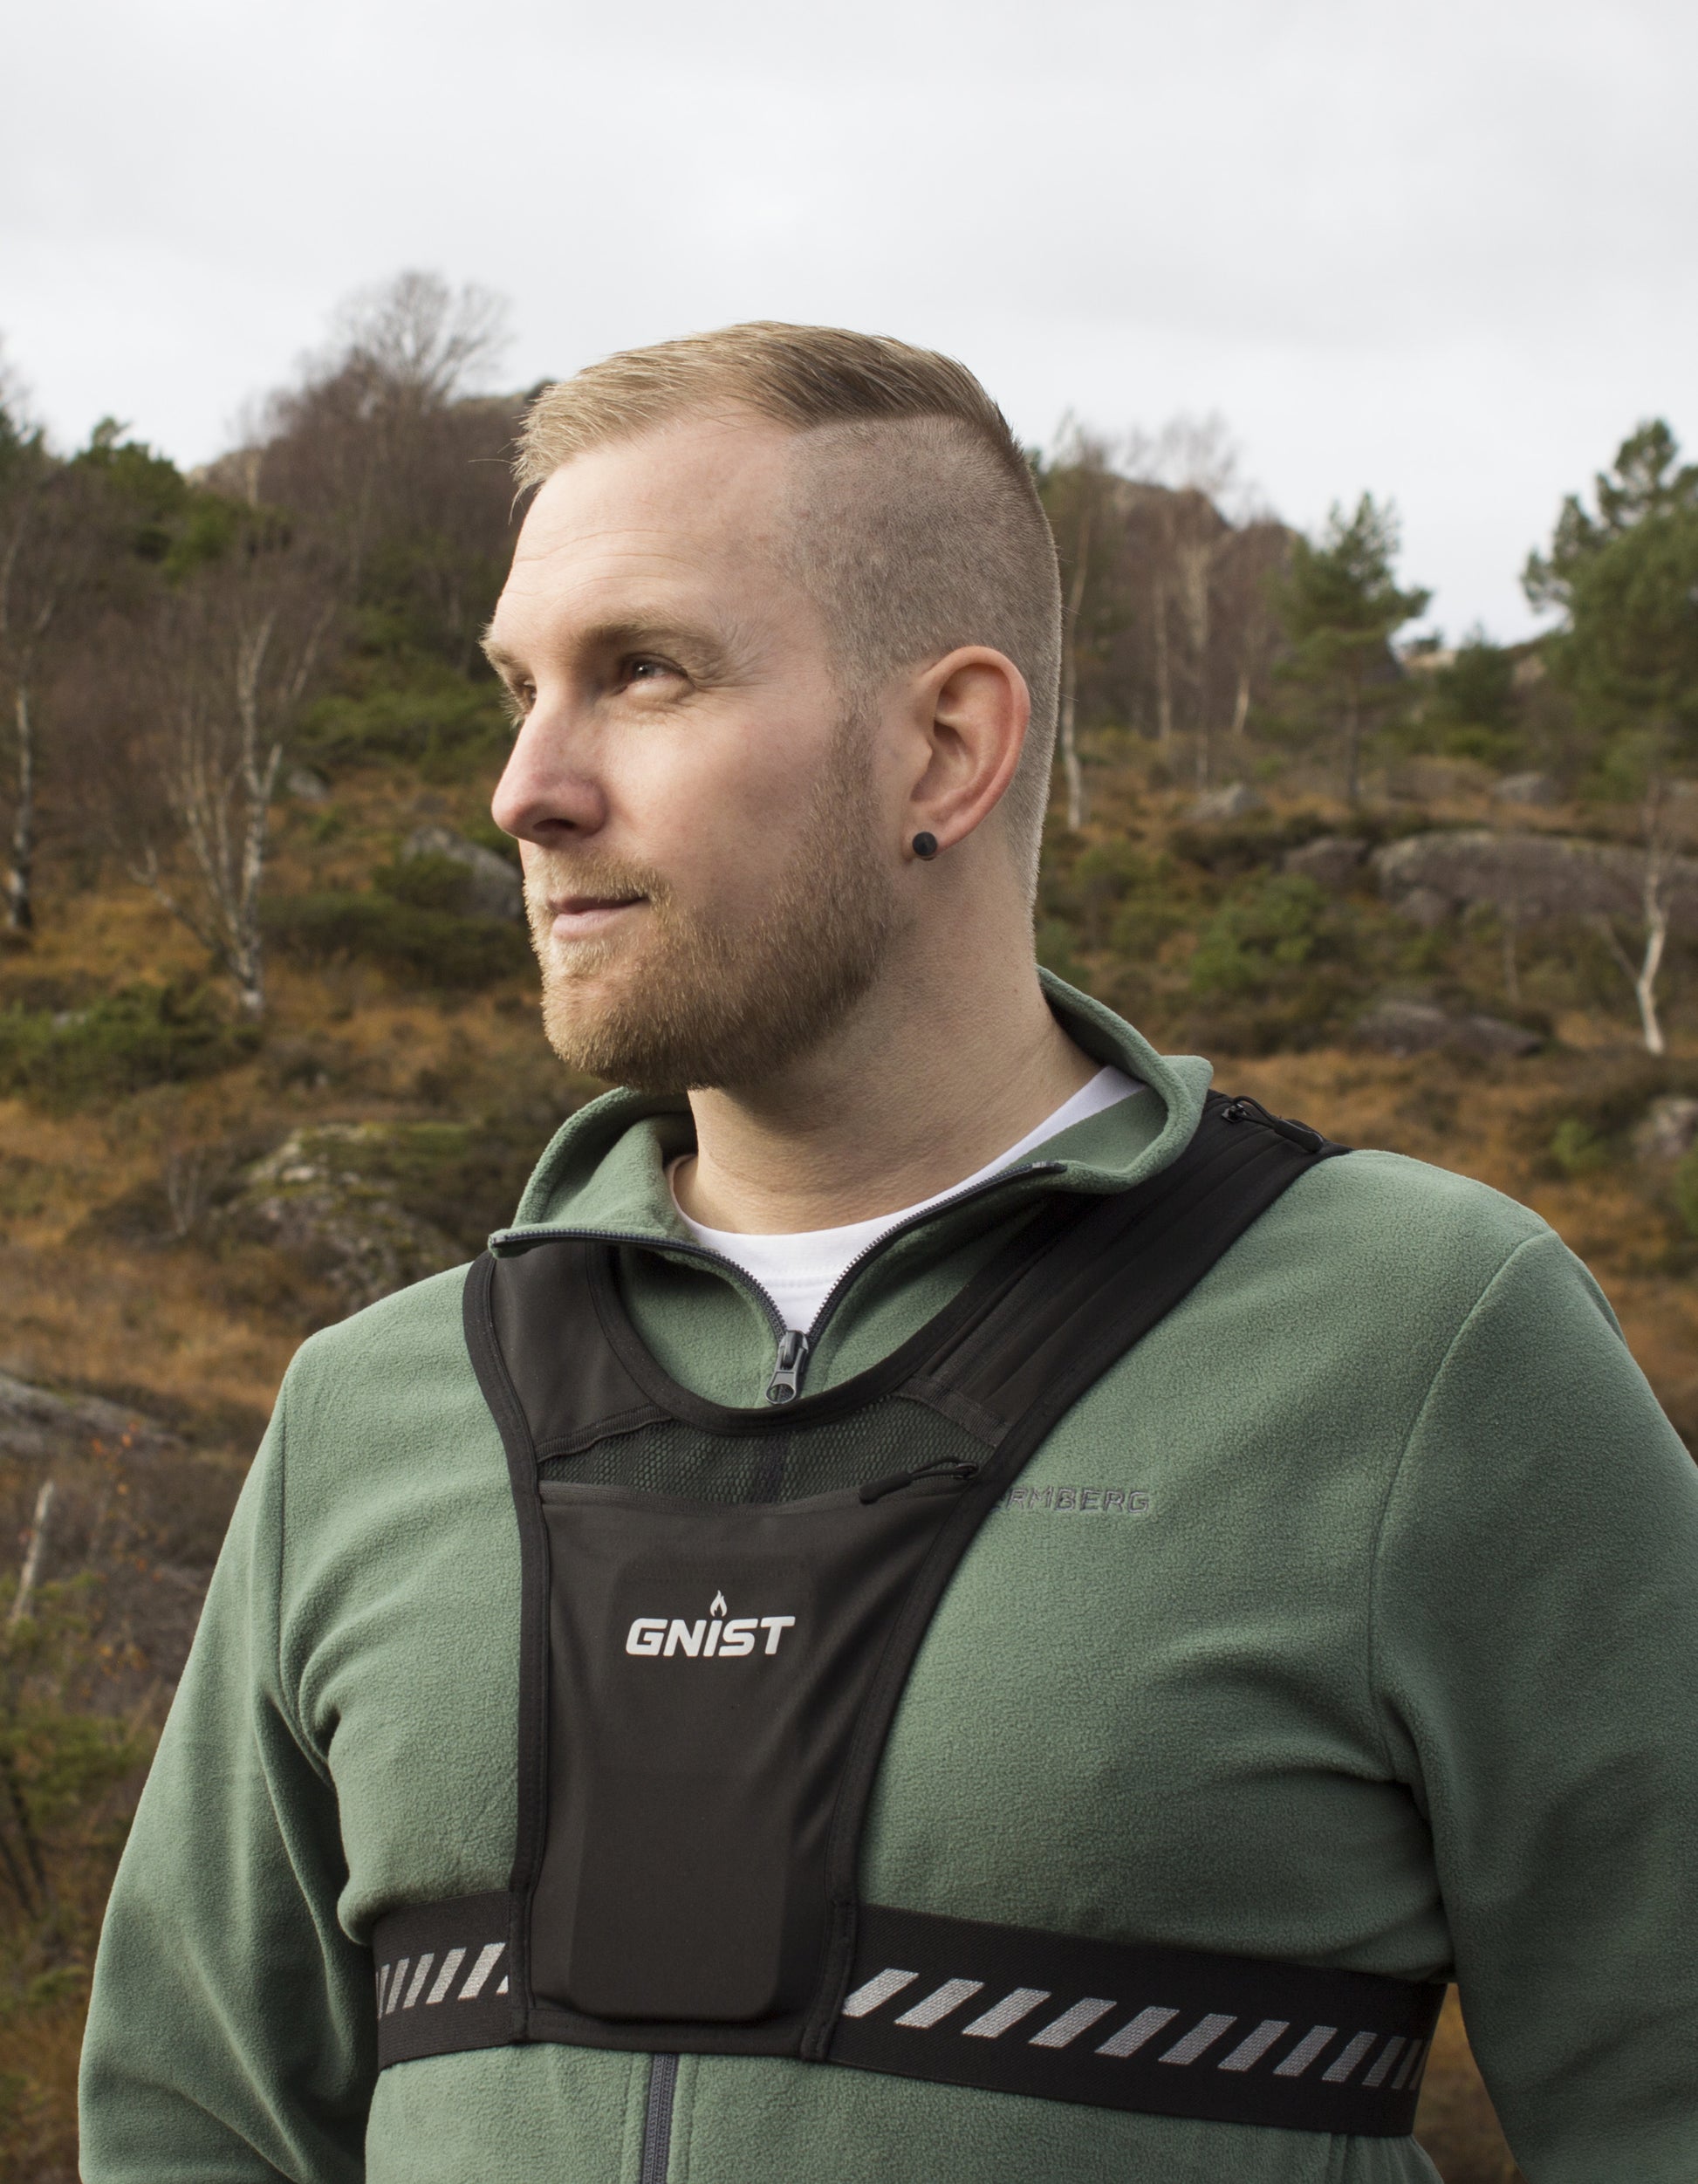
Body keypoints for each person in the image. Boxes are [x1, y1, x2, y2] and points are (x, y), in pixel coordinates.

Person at [80, 324, 1698, 2184]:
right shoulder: (372, 1410)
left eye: (643, 673)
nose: (526, 786)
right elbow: (190, 2132)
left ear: (945, 744)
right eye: (517, 690)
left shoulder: (1423, 1343)